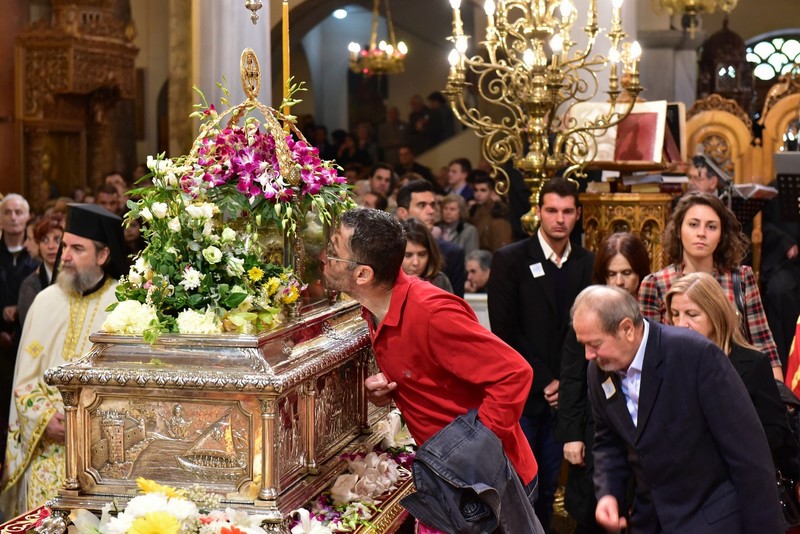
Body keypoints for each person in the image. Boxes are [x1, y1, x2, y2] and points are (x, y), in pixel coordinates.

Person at [322, 207, 544, 532]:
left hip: (491, 481)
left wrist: (474, 450)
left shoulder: (431, 314)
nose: (324, 256)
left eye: (334, 250)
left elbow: (515, 374)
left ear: (363, 275)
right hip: (453, 477)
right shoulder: (374, 310)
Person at [572, 285, 782, 533]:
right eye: (583, 344)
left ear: (627, 329)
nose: (587, 355)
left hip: (712, 522)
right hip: (649, 523)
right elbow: (608, 442)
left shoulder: (695, 355)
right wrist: (608, 493)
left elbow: (748, 454)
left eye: (594, 344)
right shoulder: (598, 371)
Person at [0, 204, 127, 517]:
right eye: (65, 246)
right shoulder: (45, 302)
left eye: (77, 248)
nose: (64, 255)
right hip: (46, 446)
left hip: (103, 455)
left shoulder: (125, 306)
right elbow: (24, 379)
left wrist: (85, 423)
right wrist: (45, 419)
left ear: (103, 255)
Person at [488, 177, 595, 530]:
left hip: (572, 394)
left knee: (550, 488)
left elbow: (588, 332)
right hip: (526, 396)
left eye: (567, 211)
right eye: (551, 210)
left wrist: (565, 383)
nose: (559, 219)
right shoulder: (510, 260)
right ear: (538, 213)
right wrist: (546, 380)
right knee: (519, 486)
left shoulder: (588, 263)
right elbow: (504, 332)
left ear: (578, 214)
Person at [555, 232, 651, 534]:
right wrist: (571, 435)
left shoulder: (652, 311)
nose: (620, 281)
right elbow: (571, 376)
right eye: (612, 273)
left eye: (627, 273)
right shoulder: (588, 313)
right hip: (596, 428)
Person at [638, 192, 783, 379]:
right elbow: (649, 357)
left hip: (736, 383)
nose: (701, 233)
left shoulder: (741, 278)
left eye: (711, 227)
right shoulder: (655, 284)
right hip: (679, 384)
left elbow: (764, 345)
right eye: (693, 224)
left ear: (722, 235)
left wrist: (778, 398)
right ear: (678, 230)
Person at [665, 272, 789, 459]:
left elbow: (778, 435)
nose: (681, 324)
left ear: (715, 315)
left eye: (692, 314)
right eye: (675, 315)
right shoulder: (665, 366)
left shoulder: (754, 364)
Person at [0, 194, 39, 474]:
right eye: (8, 212)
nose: (13, 217)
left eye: (18, 212)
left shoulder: (35, 259)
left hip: (26, 343)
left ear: (27, 218)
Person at [396, 180, 467, 298]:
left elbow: (456, 308)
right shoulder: (385, 255)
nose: (431, 211)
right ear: (402, 213)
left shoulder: (453, 253)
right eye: (422, 205)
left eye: (433, 205)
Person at [17, 214, 64, 328]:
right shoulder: (30, 284)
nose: (51, 246)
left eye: (57, 239)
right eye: (45, 240)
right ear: (38, 244)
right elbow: (29, 328)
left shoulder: (77, 278)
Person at [399, 218, 453, 294]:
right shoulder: (386, 283)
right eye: (408, 255)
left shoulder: (440, 281)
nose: (416, 262)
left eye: (422, 255)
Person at [468, 171, 512, 253]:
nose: (478, 194)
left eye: (483, 190)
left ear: (492, 192)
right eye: (476, 190)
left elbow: (501, 248)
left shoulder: (499, 214)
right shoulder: (473, 211)